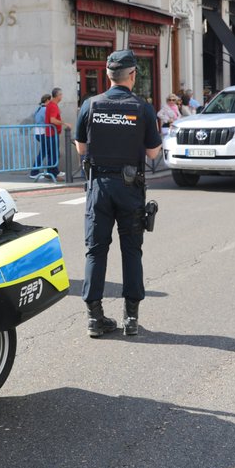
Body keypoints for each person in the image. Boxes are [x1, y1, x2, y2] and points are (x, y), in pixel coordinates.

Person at [74, 49, 162, 338]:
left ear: (108, 75)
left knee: (95, 252)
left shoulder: (90, 105)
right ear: (133, 75)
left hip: (98, 186)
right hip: (130, 187)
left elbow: (81, 148)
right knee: (131, 251)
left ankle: (94, 318)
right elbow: (152, 152)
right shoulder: (142, 108)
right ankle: (132, 318)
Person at [43, 87, 71, 179]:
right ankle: (54, 173)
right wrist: (64, 123)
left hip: (50, 133)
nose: (62, 96)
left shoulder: (51, 105)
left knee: (52, 154)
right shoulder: (53, 105)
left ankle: (51, 172)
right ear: (58, 96)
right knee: (54, 154)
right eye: (61, 94)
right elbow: (53, 120)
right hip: (52, 134)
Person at [28, 93, 52, 178]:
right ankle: (34, 172)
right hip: (43, 133)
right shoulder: (45, 109)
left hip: (38, 133)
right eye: (50, 100)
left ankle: (50, 171)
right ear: (47, 100)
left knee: (48, 152)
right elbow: (49, 120)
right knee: (44, 152)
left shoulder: (39, 109)